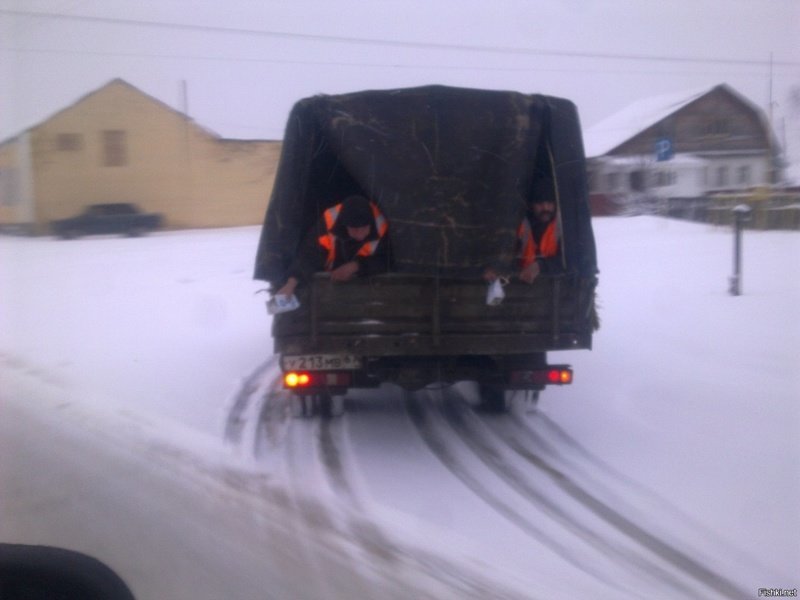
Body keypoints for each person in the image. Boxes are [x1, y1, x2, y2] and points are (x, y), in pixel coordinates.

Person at [275, 195, 390, 297]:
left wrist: (357, 266)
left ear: (371, 224)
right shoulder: (327, 224)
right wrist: (291, 284)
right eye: (354, 230)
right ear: (345, 226)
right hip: (329, 290)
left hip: (370, 293)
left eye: (364, 229)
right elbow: (308, 255)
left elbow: (388, 260)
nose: (360, 235)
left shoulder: (382, 225)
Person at [484, 178, 560, 285]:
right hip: (518, 285)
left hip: (553, 283)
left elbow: (573, 260)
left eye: (549, 202)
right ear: (530, 205)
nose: (545, 208)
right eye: (539, 203)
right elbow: (506, 252)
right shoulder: (517, 224)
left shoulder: (564, 227)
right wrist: (496, 267)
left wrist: (540, 266)